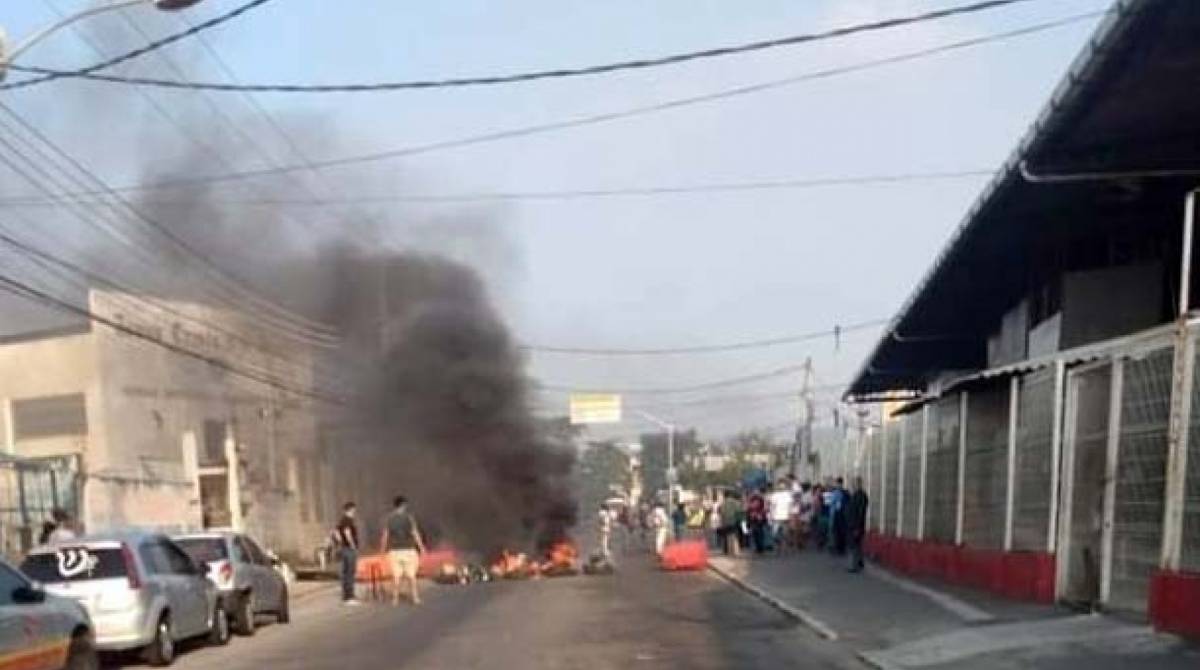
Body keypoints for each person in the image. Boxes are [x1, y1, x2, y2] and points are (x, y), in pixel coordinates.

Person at [379, 495, 426, 606]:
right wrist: (421, 547)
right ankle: (415, 598)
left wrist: (382, 549)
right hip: (409, 549)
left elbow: (385, 535)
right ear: (404, 505)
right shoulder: (409, 518)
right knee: (411, 575)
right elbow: (415, 533)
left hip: (394, 551)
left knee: (396, 576)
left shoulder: (389, 519)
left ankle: (395, 599)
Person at [332, 502, 360, 605]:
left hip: (344, 548)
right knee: (350, 573)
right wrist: (352, 545)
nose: (354, 512)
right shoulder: (348, 520)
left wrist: (340, 542)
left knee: (346, 573)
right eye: (354, 510)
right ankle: (350, 597)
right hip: (349, 549)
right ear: (351, 509)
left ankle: (346, 596)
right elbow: (347, 533)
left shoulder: (341, 520)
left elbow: (335, 532)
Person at [846, 477, 870, 573]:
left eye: (854, 484)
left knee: (854, 545)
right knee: (857, 545)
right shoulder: (857, 495)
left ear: (859, 484)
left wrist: (857, 527)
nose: (853, 486)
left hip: (856, 525)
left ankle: (854, 565)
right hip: (855, 524)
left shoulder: (860, 496)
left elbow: (860, 512)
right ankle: (859, 562)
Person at [768, 482, 793, 552]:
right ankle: (780, 544)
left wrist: (790, 515)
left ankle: (785, 547)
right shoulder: (775, 495)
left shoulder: (788, 495)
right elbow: (771, 505)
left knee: (785, 533)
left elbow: (790, 506)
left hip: (785, 517)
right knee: (774, 534)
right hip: (776, 517)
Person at [746, 488, 768, 554]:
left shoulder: (760, 499)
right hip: (755, 518)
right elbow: (748, 508)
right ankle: (759, 548)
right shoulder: (754, 499)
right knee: (757, 533)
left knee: (759, 533)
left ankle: (760, 548)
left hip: (758, 518)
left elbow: (764, 508)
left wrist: (758, 514)